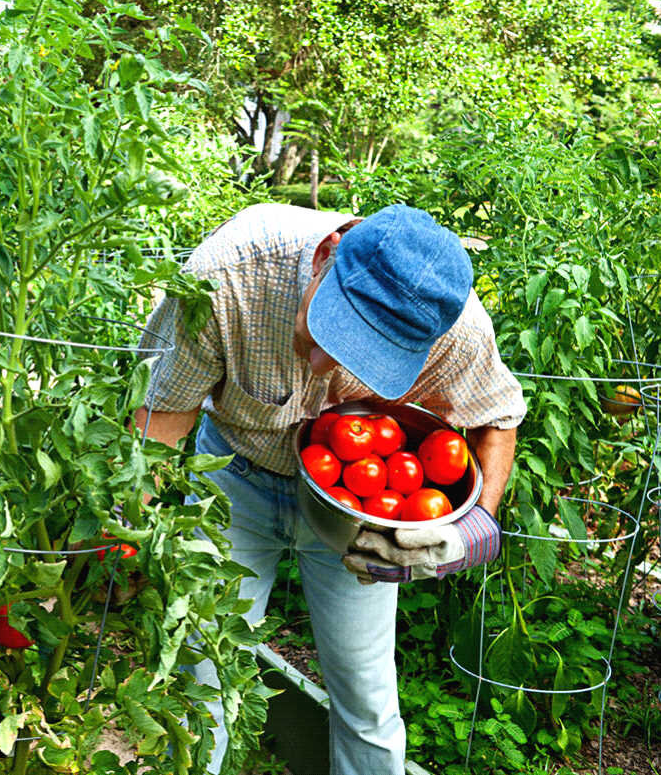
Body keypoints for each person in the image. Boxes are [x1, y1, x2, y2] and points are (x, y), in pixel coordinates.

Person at [135, 203, 526, 775]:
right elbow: (160, 423)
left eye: (363, 358)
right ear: (324, 258)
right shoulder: (229, 275)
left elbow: (498, 415)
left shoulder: (452, 324)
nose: (323, 365)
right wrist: (129, 530)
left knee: (367, 693)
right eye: (327, 332)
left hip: (358, 517)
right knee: (205, 674)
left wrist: (475, 530)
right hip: (234, 480)